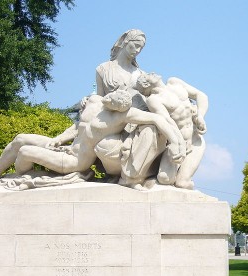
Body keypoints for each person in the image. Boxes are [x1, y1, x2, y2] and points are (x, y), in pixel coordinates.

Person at [12, 90, 185, 190]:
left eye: (120, 105)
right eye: (114, 100)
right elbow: (78, 126)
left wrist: (176, 142)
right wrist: (59, 138)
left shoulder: (123, 115)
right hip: (67, 146)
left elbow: (158, 119)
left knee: (24, 151)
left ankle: (25, 175)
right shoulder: (95, 102)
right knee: (20, 139)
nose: (113, 103)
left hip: (75, 160)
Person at [94, 29, 168, 187]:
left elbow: (153, 101)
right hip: (116, 125)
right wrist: (89, 100)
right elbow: (99, 99)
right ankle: (131, 174)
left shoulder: (141, 74)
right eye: (135, 45)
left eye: (141, 48)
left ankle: (132, 178)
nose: (138, 50)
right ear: (125, 42)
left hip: (141, 123)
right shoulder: (103, 69)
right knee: (104, 147)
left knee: (150, 131)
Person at [135, 72, 208, 189]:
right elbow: (167, 121)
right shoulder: (153, 100)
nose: (152, 73)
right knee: (165, 179)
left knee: (182, 183)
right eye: (147, 75)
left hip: (195, 140)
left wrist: (200, 116)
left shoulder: (174, 82)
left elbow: (201, 95)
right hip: (180, 143)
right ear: (145, 84)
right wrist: (178, 144)